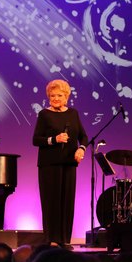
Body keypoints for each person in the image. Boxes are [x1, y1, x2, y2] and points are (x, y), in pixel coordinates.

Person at [32, 79, 88, 249]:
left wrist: (82, 149)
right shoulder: (44, 114)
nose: (56, 98)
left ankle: (64, 239)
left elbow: (83, 137)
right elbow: (36, 140)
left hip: (69, 164)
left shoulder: (73, 113)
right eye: (52, 95)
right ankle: (52, 239)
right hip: (49, 165)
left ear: (66, 97)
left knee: (66, 201)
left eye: (59, 95)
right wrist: (54, 139)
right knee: (51, 202)